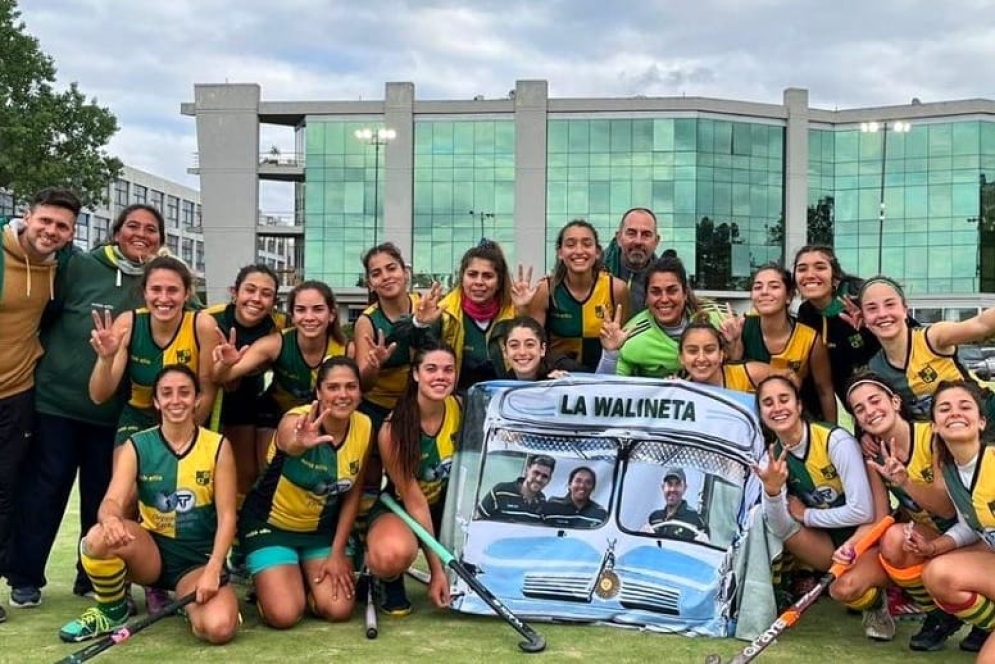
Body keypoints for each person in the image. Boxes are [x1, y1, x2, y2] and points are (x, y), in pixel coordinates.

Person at [7, 204, 163, 611]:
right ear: (116, 231)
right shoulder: (80, 265)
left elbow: (188, 316)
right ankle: (25, 577)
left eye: (151, 229)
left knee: (101, 494)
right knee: (45, 489)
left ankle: (89, 576)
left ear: (160, 240)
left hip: (112, 413)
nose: (141, 234)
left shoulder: (157, 281)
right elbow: (45, 313)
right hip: (56, 402)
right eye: (132, 226)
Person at [57, 364, 239, 644]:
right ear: (156, 401)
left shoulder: (218, 446)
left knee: (219, 629)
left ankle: (190, 603)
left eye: (184, 392)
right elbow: (111, 501)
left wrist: (214, 569)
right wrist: (111, 520)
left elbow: (228, 517)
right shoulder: (137, 444)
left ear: (197, 399)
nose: (175, 400)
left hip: (197, 561)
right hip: (151, 555)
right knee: (97, 538)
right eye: (166, 393)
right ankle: (112, 611)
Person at [752, 375, 894, 641]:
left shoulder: (835, 441)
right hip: (829, 543)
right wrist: (772, 492)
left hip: (867, 536)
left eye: (784, 399)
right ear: (761, 413)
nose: (777, 408)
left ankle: (877, 602)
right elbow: (780, 528)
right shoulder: (771, 458)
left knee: (845, 589)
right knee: (779, 526)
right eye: (768, 403)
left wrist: (807, 515)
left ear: (799, 405)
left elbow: (862, 511)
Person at [238, 357, 372, 628]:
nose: (343, 394)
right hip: (271, 526)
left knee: (338, 610)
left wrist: (337, 552)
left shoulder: (365, 426)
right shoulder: (296, 420)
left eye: (351, 386)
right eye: (333, 387)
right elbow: (289, 440)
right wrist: (299, 442)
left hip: (321, 532)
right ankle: (272, 581)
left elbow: (353, 494)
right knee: (284, 615)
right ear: (319, 392)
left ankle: (303, 578)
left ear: (360, 392)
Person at [846, 371, 970, 652]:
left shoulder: (933, 436)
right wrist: (850, 548)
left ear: (895, 402)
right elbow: (880, 517)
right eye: (860, 409)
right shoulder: (874, 455)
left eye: (875, 401)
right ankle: (939, 615)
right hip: (930, 536)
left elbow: (946, 508)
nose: (870, 411)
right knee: (892, 538)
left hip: (968, 535)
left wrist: (905, 482)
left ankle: (984, 625)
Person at [0, 187, 79, 624]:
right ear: (26, 216)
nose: (51, 231)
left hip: (17, 392)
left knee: (5, 491)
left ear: (71, 233)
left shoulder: (60, 265)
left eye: (61, 226)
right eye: (45, 220)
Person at [365, 344, 462, 615]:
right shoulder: (392, 429)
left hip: (446, 508)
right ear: (416, 374)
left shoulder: (461, 407)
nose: (440, 376)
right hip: (405, 509)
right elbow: (415, 502)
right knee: (390, 555)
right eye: (431, 369)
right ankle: (388, 578)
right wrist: (436, 571)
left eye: (448, 370)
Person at [88, 255, 221, 446]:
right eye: (156, 289)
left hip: (185, 419)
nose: (163, 298)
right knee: (125, 461)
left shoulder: (202, 325)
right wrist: (105, 359)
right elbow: (98, 396)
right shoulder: (128, 323)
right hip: (138, 416)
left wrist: (182, 437)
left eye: (173, 290)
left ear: (186, 294)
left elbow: (207, 393)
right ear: (145, 292)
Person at [908, 381, 995, 656]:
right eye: (944, 408)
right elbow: (971, 525)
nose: (955, 412)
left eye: (964, 406)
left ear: (981, 422)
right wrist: (933, 547)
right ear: (934, 426)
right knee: (937, 573)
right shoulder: (951, 471)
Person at [859, 276, 995, 424]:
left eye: (890, 304)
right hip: (942, 433)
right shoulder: (876, 369)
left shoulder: (932, 337)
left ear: (905, 310)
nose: (882, 314)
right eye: (872, 308)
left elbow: (982, 325)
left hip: (986, 415)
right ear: (864, 319)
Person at [205, 265, 287, 503]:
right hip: (207, 394)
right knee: (205, 467)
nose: (256, 299)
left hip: (247, 397)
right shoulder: (210, 318)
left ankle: (239, 517)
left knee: (246, 473)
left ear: (274, 301)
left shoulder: (281, 324)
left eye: (266, 294)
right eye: (250, 290)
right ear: (234, 292)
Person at [212, 280, 349, 416]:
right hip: (278, 414)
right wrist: (225, 364)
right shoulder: (274, 344)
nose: (309, 317)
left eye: (318, 309)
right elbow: (220, 378)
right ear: (292, 316)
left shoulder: (347, 350)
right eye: (300, 310)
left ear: (331, 315)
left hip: (328, 416)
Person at [728, 264, 836, 421]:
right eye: (758, 287)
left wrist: (832, 430)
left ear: (789, 296)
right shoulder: (742, 328)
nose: (764, 292)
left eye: (774, 286)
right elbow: (730, 379)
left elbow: (824, 390)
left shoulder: (810, 338)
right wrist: (732, 343)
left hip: (791, 419)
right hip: (749, 418)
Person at [597, 254, 727, 378]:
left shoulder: (720, 320)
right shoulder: (631, 336)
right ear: (646, 298)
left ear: (685, 293)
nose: (664, 299)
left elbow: (738, 372)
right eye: (656, 292)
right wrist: (610, 354)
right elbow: (607, 388)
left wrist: (735, 343)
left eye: (672, 291)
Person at [523, 220, 629, 372]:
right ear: (560, 252)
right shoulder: (546, 290)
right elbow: (531, 341)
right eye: (570, 245)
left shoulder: (617, 289)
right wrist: (521, 307)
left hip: (602, 375)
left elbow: (624, 342)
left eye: (587, 244)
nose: (579, 251)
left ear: (597, 252)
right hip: (557, 376)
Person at [413, 241, 517, 393]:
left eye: (487, 276)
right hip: (453, 398)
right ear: (462, 277)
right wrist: (420, 324)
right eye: (472, 275)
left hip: (505, 398)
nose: (479, 282)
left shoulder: (514, 314)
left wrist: (527, 310)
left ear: (499, 282)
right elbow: (419, 354)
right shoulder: (444, 313)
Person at [792, 245, 891, 404]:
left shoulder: (860, 295)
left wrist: (876, 324)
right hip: (854, 401)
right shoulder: (806, 314)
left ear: (835, 276)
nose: (809, 275)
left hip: (892, 390)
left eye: (820, 267)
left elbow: (910, 332)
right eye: (802, 269)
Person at [353, 242, 426, 432]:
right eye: (376, 273)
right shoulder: (367, 322)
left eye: (391, 268)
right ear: (370, 284)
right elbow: (363, 384)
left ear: (405, 273)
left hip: (422, 403)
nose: (386, 277)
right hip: (378, 409)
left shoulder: (425, 307)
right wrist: (374, 364)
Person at [678, 316, 778, 394]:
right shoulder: (676, 391)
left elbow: (786, 379)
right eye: (692, 351)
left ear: (721, 354)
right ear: (681, 358)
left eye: (709, 350)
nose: (701, 358)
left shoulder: (748, 374)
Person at [603, 207, 661, 314]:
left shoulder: (666, 280)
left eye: (646, 235)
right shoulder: (594, 272)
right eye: (631, 233)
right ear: (619, 238)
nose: (638, 241)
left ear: (656, 242)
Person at [476, 455, 556, 523]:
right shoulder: (500, 492)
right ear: (527, 471)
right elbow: (478, 521)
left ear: (549, 480)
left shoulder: (542, 500)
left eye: (545, 476)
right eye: (536, 473)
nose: (539, 479)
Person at [644, 468, 709, 542]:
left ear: (685, 488)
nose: (672, 489)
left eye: (677, 484)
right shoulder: (654, 517)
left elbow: (704, 545)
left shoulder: (695, 519)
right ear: (663, 487)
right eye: (669, 484)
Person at [500, 316, 570, 381]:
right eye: (514, 345)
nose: (522, 352)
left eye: (530, 344)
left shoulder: (564, 368)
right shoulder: (503, 384)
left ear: (542, 349)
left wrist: (569, 380)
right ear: (505, 352)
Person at [541, 467, 607, 529]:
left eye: (588, 482)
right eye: (578, 481)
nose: (582, 486)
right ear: (570, 484)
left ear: (593, 487)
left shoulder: (600, 514)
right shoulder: (551, 507)